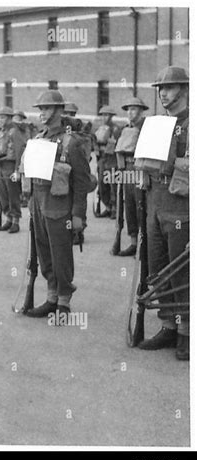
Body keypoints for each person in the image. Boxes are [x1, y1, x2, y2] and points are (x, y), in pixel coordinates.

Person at [137, 66, 189, 361]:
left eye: (168, 88)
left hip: (182, 210)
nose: (163, 94)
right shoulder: (156, 125)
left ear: (183, 89)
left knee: (181, 272)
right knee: (157, 268)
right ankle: (169, 325)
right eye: (160, 89)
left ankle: (187, 333)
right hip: (155, 206)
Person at [24, 90, 91, 319]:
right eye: (40, 109)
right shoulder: (38, 139)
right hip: (39, 206)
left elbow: (82, 182)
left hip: (60, 208)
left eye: (47, 108)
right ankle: (51, 297)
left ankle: (64, 301)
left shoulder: (72, 142)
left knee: (61, 256)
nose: (42, 113)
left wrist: (78, 215)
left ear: (60, 110)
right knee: (44, 254)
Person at [113, 97, 148, 257]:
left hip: (140, 168)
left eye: (133, 109)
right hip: (126, 168)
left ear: (141, 111)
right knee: (129, 206)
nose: (130, 113)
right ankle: (134, 242)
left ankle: (144, 244)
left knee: (141, 205)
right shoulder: (125, 128)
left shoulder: (146, 128)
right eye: (128, 109)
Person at [0, 106, 26, 233]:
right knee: (3, 195)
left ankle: (16, 222)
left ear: (9, 118)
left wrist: (17, 170)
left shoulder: (14, 132)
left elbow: (18, 151)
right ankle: (8, 219)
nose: (0, 120)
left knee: (13, 195)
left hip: (10, 166)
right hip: (0, 167)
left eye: (3, 117)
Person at [95, 106, 121, 219]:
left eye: (107, 115)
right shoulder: (100, 128)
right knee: (101, 185)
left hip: (112, 160)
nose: (105, 117)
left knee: (112, 186)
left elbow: (113, 145)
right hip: (102, 160)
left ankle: (115, 208)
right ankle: (108, 207)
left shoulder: (115, 129)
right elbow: (95, 143)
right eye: (103, 115)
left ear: (111, 116)